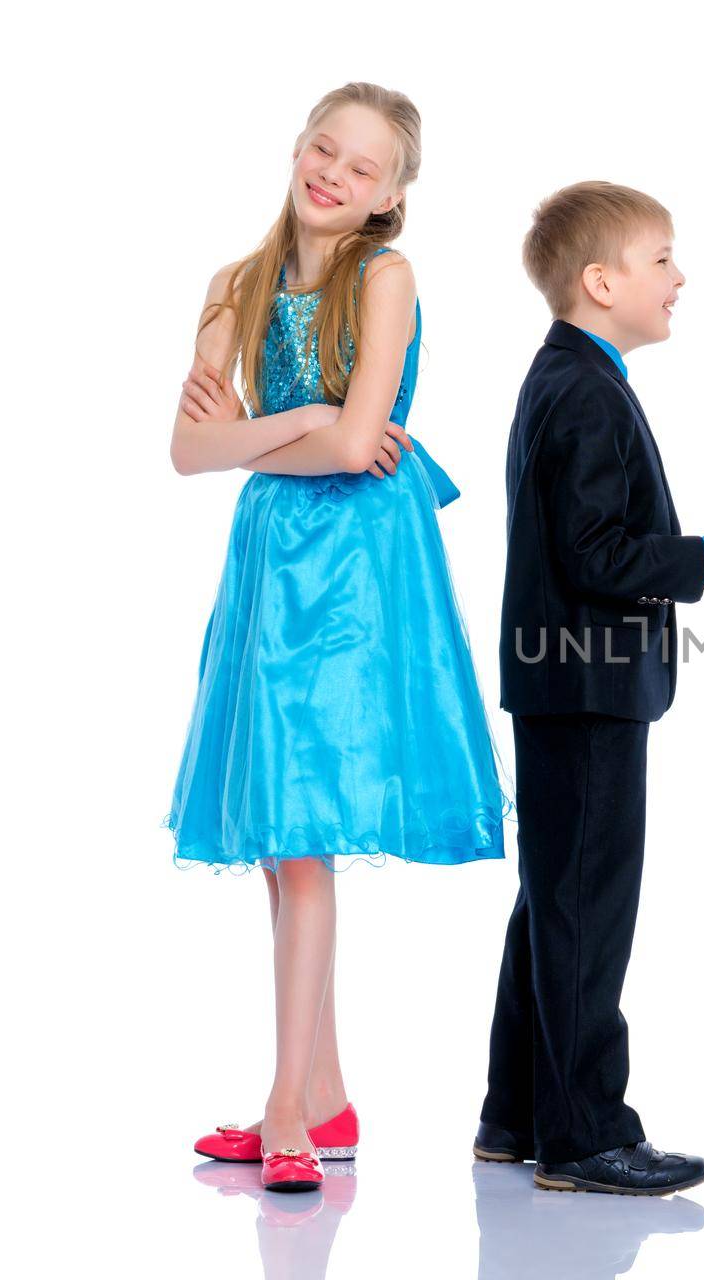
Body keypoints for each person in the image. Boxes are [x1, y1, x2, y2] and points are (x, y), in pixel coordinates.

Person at [166, 82, 508, 1192]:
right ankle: (324, 1091)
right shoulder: (233, 286)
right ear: (299, 148)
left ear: (389, 197)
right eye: (325, 148)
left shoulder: (385, 275)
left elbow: (365, 446)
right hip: (274, 558)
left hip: (359, 567)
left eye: (363, 168)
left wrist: (286, 433)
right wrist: (308, 422)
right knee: (279, 834)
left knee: (305, 827)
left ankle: (284, 1103)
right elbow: (186, 451)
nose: (334, 174)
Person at [474, 180, 704, 1195]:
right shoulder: (582, 388)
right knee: (584, 908)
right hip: (587, 685)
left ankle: (517, 1113)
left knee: (553, 900)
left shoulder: (572, 376)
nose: (678, 275)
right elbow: (599, 553)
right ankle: (583, 1132)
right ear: (601, 281)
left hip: (566, 682)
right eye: (661, 259)